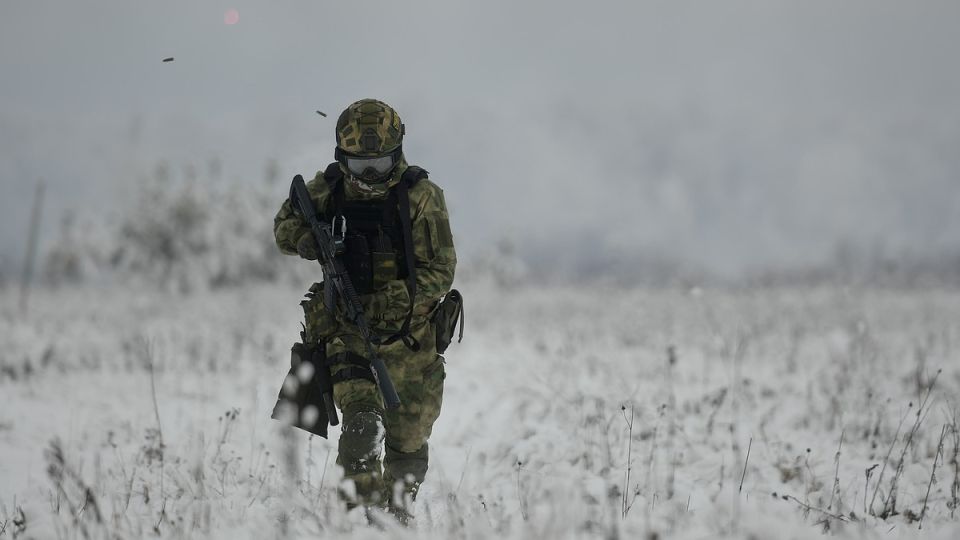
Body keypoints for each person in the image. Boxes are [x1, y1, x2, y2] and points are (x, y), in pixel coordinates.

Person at [272, 98, 457, 521]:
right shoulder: (328, 188)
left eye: (379, 164)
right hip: (346, 329)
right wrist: (307, 240)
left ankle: (397, 513)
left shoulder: (422, 196)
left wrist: (393, 302)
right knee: (362, 425)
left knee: (409, 441)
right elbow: (284, 228)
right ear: (343, 158)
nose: (369, 175)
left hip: (410, 335)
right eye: (359, 166)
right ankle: (359, 518)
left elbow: (441, 270)